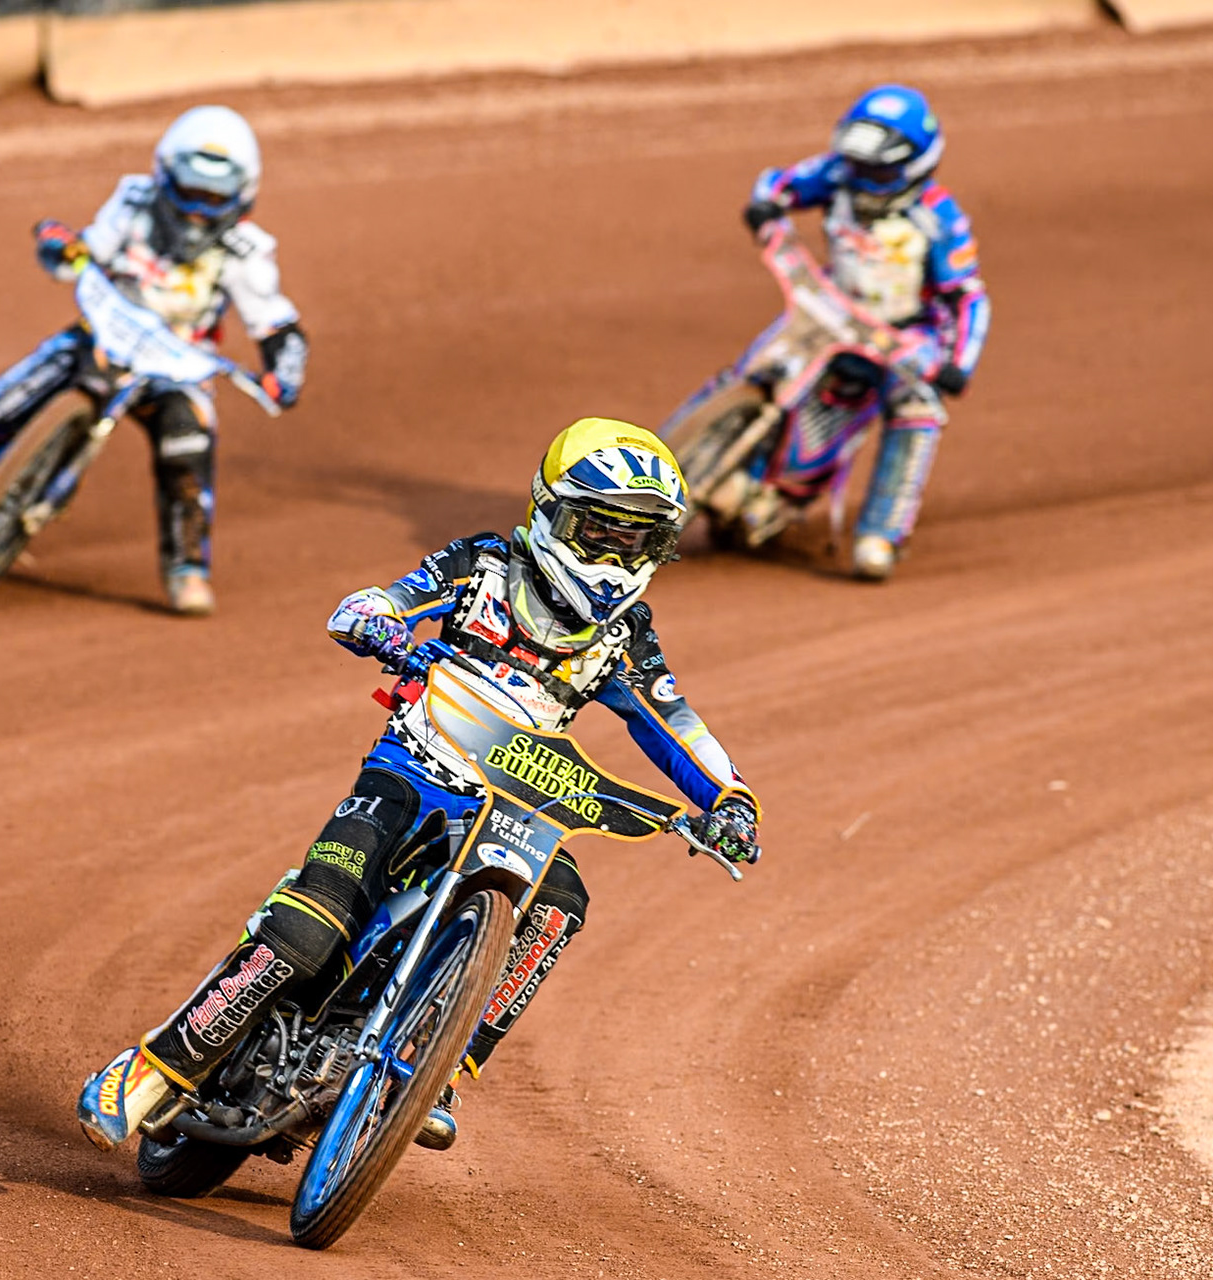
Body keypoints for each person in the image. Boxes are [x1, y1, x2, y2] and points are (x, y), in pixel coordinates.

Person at [75, 419, 761, 1153]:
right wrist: (376, 619)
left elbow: (673, 721)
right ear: (551, 512)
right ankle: (153, 1067)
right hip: (411, 774)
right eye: (598, 534)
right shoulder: (484, 564)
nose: (614, 559)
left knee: (561, 905)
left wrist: (731, 798)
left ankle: (441, 1072)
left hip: (519, 805)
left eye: (636, 542)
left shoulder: (625, 636)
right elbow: (391, 600)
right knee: (311, 924)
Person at [0, 104, 308, 615]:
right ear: (165, 176)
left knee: (188, 445)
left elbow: (273, 318)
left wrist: (284, 368)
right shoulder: (134, 200)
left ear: (242, 196)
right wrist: (64, 246)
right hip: (100, 336)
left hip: (176, 367)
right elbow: (90, 248)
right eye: (189, 192)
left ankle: (187, 568)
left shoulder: (247, 251)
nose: (196, 212)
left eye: (213, 199)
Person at [741, 84, 990, 581]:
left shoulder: (940, 219)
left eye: (877, 168)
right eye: (858, 163)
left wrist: (957, 362)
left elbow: (966, 297)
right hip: (831, 307)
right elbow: (781, 182)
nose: (864, 176)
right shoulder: (837, 175)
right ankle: (739, 471)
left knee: (917, 407)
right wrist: (767, 206)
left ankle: (882, 533)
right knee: (766, 363)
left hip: (904, 337)